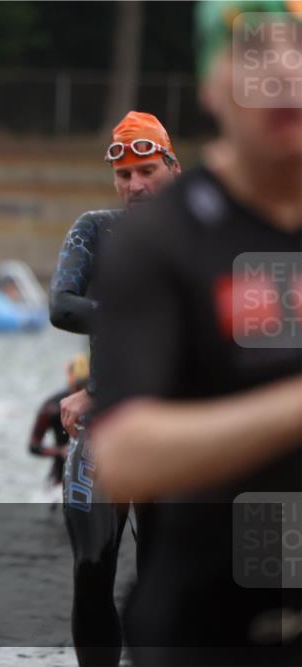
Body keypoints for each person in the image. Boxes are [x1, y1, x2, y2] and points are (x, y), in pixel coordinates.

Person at [89, 3, 302, 665]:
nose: (281, 72)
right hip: (208, 627)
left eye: (298, 47)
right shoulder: (157, 241)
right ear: (208, 86)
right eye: (252, 51)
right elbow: (121, 454)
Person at [48, 110, 182, 667]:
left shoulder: (201, 236)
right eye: (125, 176)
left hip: (179, 430)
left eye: (147, 171)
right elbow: (62, 306)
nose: (136, 186)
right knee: (90, 569)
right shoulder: (96, 229)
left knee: (164, 580)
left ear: (173, 166)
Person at [28, 354, 90, 495]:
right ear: (70, 380)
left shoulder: (101, 402)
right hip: (59, 479)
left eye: (86, 385)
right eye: (78, 385)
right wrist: (60, 451)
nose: (81, 389)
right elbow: (33, 446)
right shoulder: (52, 407)